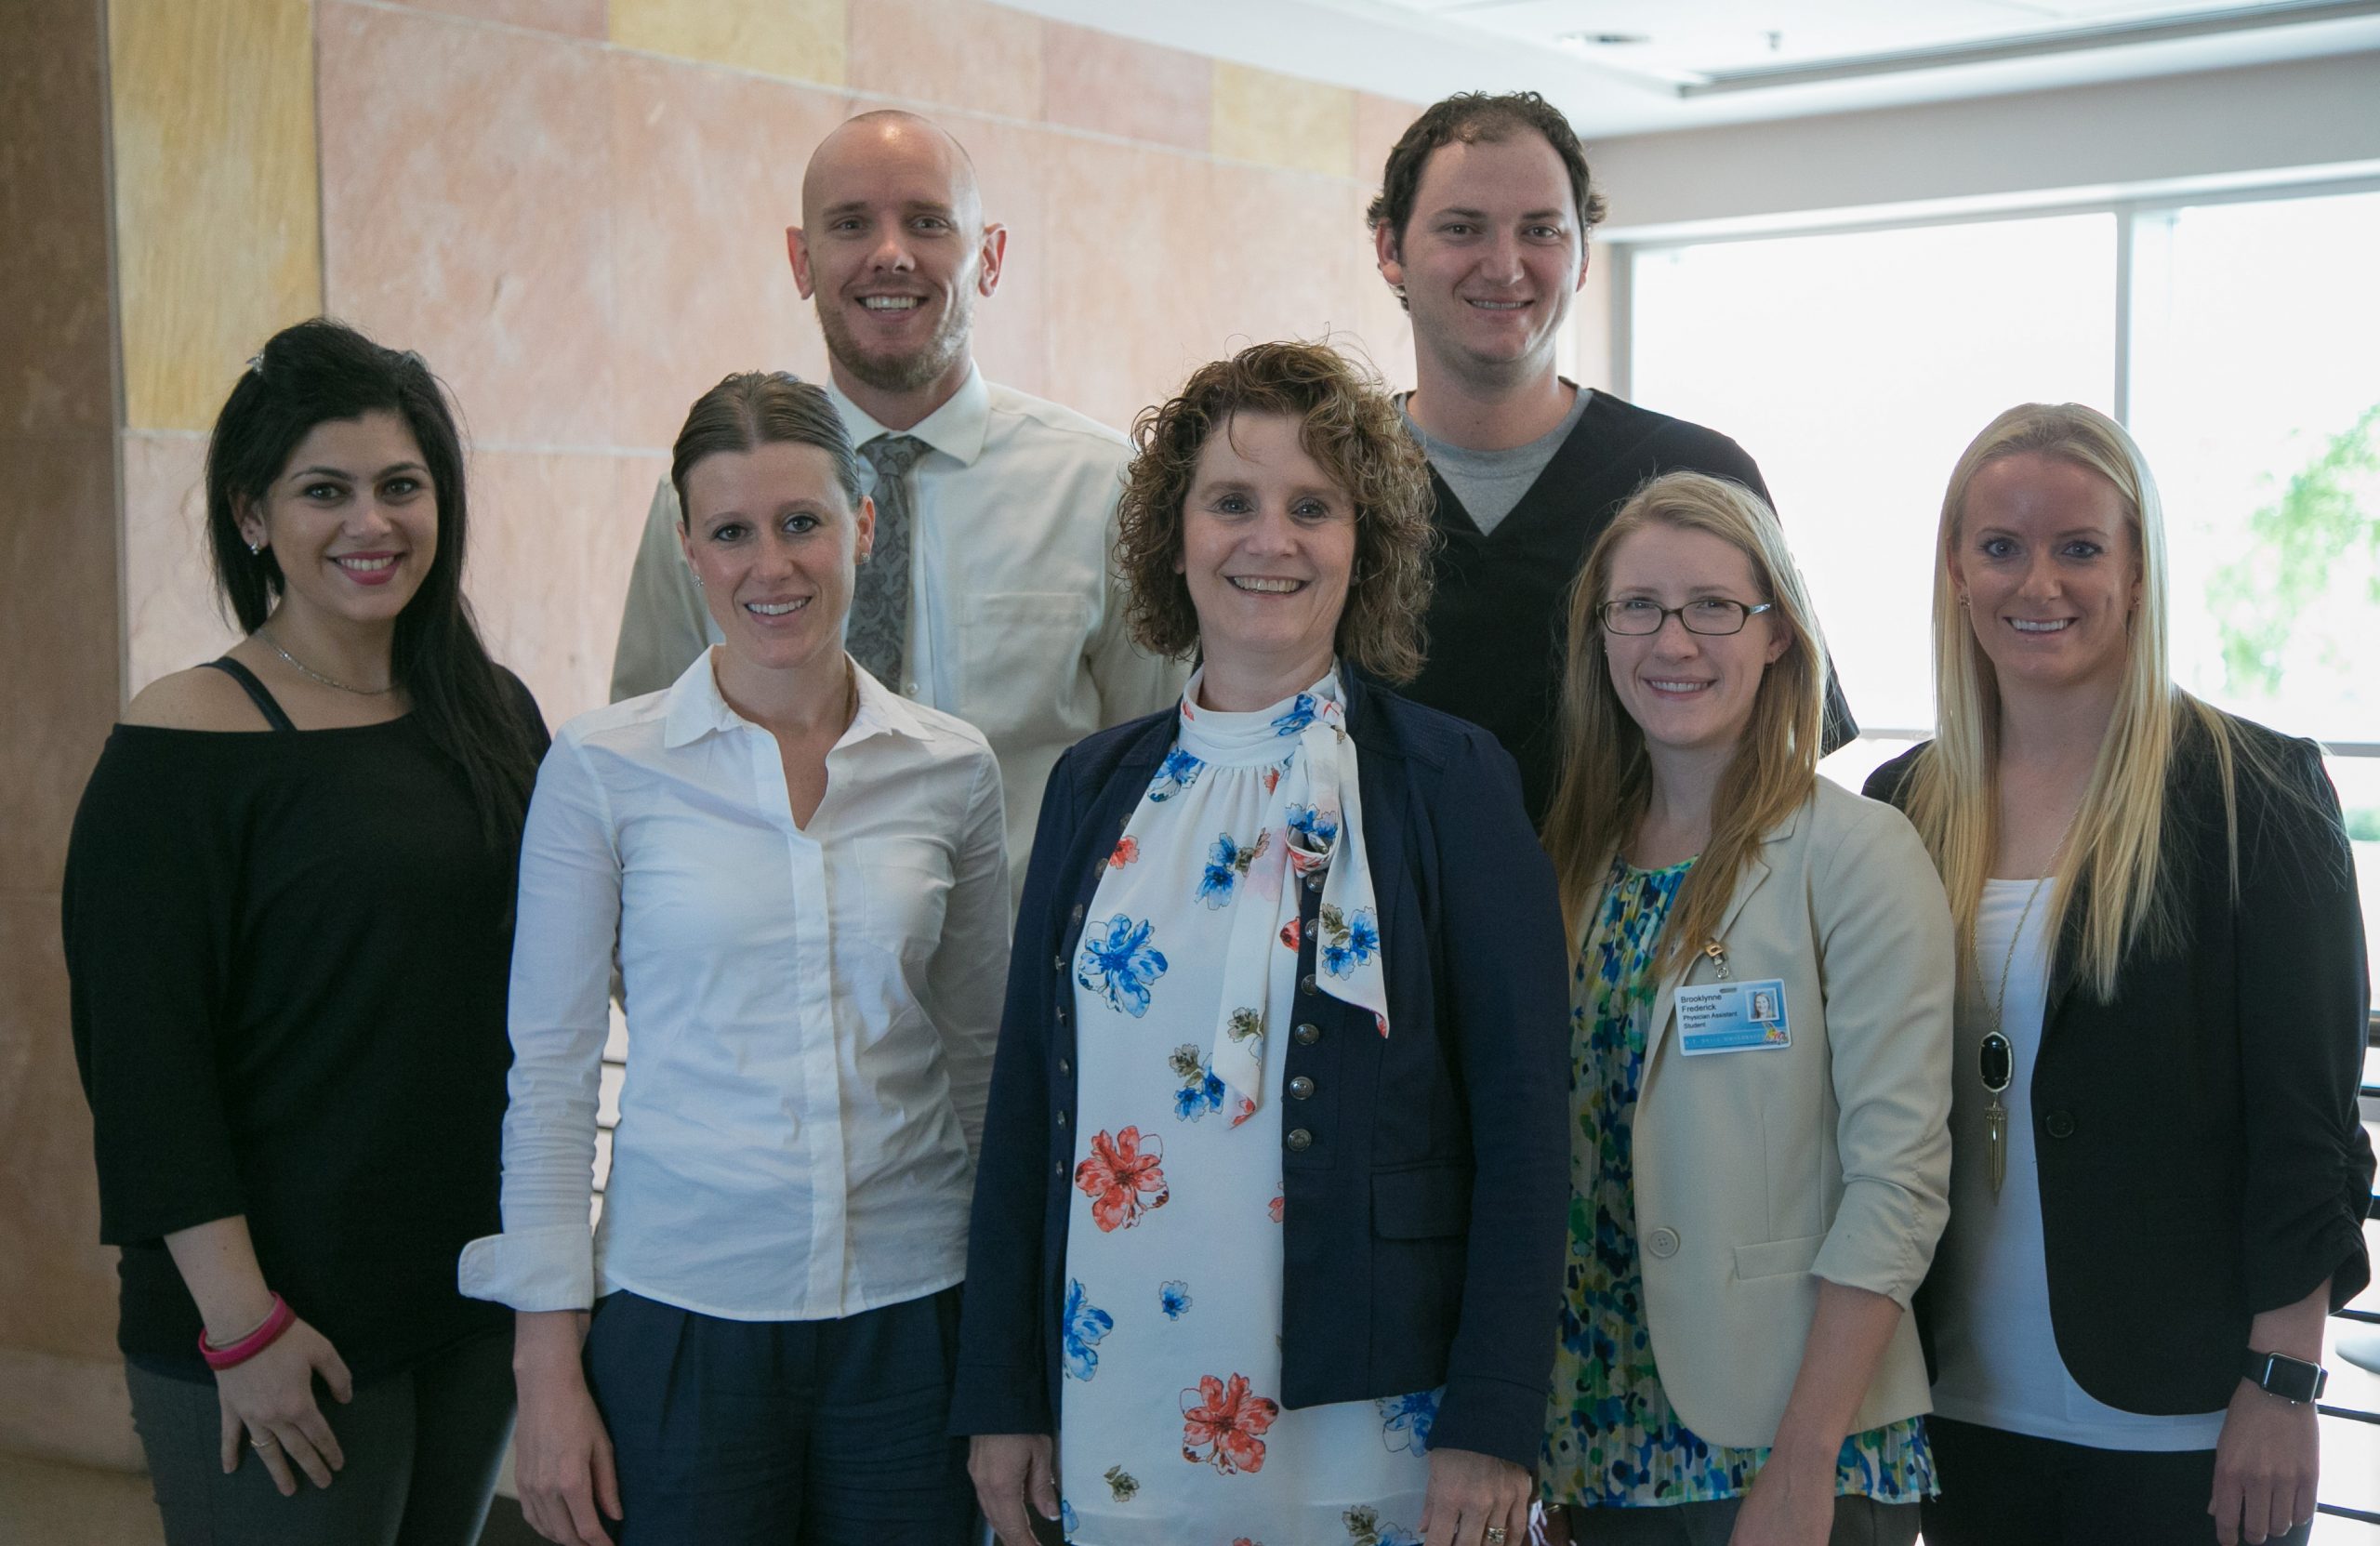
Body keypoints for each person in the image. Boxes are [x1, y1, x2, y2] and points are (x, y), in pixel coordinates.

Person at [953, 340, 1571, 1546]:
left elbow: (1525, 1128)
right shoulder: (1093, 784)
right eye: (1231, 500)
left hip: (1377, 1423)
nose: (1268, 539)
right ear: (1173, 532)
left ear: (1367, 537)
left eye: (1312, 507)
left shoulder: (1449, 781)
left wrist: (1496, 1419)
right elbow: (1026, 1097)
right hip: (1118, 1392)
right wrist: (1003, 1392)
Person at [461, 372, 1009, 1546]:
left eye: (803, 523)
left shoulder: (951, 768)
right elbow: (551, 1078)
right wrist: (547, 1369)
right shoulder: (604, 769)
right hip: (683, 1319)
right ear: (687, 551)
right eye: (732, 532)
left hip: (915, 1321)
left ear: (862, 525)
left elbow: (980, 1063)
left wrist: (1007, 1341)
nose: (773, 566)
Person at [62, 318, 549, 1545]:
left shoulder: (490, 713)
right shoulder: (183, 741)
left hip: (468, 1292)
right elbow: (144, 1069)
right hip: (274, 1317)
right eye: (323, 490)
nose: (370, 523)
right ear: (251, 514)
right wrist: (243, 1323)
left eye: (401, 486)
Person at [1864, 403, 2373, 1546]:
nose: (2036, 581)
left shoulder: (2258, 796)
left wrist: (2283, 1384)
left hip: (2187, 1420)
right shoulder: (1898, 806)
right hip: (1951, 1406)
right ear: (1955, 569)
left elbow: (2309, 1127)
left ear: (2137, 572)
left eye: (2079, 548)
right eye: (2000, 546)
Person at [609, 109, 1183, 897]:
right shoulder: (711, 501)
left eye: (927, 222)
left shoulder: (1103, 491)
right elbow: (644, 762)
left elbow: (1159, 769)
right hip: (777, 990)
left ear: (990, 257)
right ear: (801, 260)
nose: (889, 254)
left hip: (1021, 999)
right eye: (851, 225)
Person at [1535, 472, 1953, 1544]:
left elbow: (1898, 1180)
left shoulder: (1852, 855)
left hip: (1793, 1445)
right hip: (1594, 1436)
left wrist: (1805, 1456)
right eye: (1638, 607)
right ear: (1600, 633)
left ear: (1777, 634)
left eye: (1714, 606)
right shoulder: (1565, 867)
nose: (1672, 641)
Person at [1366, 91, 1854, 822]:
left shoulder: (1696, 475)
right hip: (1377, 928)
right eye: (1462, 228)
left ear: (1584, 257)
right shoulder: (1333, 486)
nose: (1504, 265)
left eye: (1540, 230)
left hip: (1649, 927)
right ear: (1390, 250)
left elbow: (1785, 752)